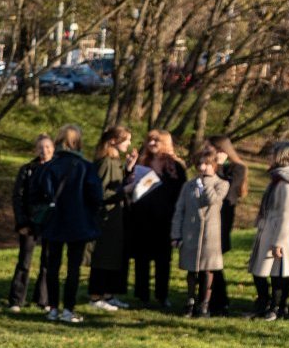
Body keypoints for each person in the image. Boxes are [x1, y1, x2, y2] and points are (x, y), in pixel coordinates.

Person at [37, 126, 103, 323]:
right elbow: (96, 196)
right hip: (78, 222)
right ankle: (68, 308)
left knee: (52, 267)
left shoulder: (50, 166)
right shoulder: (85, 167)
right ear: (77, 142)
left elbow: (40, 192)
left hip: (54, 222)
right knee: (73, 268)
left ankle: (53, 308)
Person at [170, 147, 230, 317]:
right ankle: (190, 301)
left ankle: (204, 305)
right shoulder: (188, 185)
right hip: (190, 233)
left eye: (206, 164)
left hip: (210, 236)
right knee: (191, 270)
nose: (202, 168)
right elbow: (179, 210)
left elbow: (213, 201)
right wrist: (176, 234)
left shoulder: (222, 184)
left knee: (208, 270)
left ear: (214, 165)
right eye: (199, 164)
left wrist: (207, 183)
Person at [251, 142, 289, 320]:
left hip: (279, 232)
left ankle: (276, 307)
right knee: (262, 270)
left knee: (278, 272)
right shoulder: (278, 178)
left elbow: (288, 213)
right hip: (269, 228)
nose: (269, 157)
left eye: (273, 154)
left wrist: (279, 241)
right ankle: (265, 303)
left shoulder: (288, 182)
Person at [131, 129, 185, 308]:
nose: (152, 143)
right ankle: (142, 295)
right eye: (150, 140)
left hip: (165, 220)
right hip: (142, 219)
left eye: (157, 140)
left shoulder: (176, 167)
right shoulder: (141, 163)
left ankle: (162, 295)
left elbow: (181, 193)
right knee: (142, 259)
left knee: (163, 260)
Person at [88, 126, 134, 312]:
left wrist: (129, 169)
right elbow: (100, 192)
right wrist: (124, 192)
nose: (129, 143)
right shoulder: (106, 162)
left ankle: (107, 294)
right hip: (104, 217)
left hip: (114, 216)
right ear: (114, 141)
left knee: (112, 256)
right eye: (127, 140)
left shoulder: (115, 161)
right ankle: (96, 295)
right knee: (102, 256)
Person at [8, 138, 51, 313]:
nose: (44, 150)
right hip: (30, 221)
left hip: (50, 221)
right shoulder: (26, 170)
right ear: (35, 150)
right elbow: (17, 197)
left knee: (47, 262)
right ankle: (17, 300)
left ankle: (44, 299)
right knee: (24, 261)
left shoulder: (57, 170)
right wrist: (22, 222)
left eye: (48, 147)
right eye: (40, 147)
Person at [207, 135, 247, 316]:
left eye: (211, 148)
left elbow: (228, 190)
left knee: (215, 260)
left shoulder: (237, 168)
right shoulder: (208, 165)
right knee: (208, 260)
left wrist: (220, 167)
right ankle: (210, 298)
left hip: (223, 217)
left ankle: (220, 301)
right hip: (207, 216)